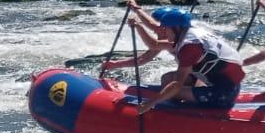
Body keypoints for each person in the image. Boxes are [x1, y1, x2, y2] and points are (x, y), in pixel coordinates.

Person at [104, 9, 244, 114]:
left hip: (224, 93)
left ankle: (178, 116)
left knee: (173, 89)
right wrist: (139, 26)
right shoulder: (188, 34)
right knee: (167, 78)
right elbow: (155, 45)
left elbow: (177, 85)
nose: (163, 31)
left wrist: (148, 104)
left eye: (166, 28)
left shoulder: (190, 47)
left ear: (176, 28)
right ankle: (186, 100)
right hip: (220, 82)